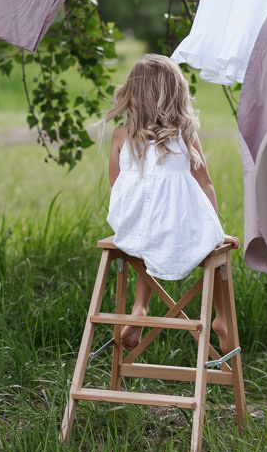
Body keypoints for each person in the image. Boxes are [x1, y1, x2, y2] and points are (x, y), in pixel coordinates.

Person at [101, 54, 239, 350]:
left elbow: (115, 189)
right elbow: (206, 184)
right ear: (177, 95)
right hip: (172, 230)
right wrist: (216, 230)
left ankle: (140, 308)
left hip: (131, 231)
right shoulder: (184, 136)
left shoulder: (120, 136)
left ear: (132, 95)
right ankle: (222, 317)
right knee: (214, 247)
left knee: (145, 234)